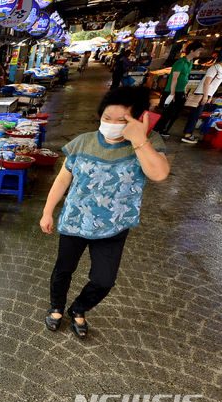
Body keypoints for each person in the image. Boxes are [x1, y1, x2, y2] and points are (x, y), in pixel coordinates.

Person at [40, 86, 169, 339]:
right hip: (75, 222)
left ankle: (79, 308)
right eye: (106, 118)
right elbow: (62, 180)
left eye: (121, 121)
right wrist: (47, 212)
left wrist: (139, 139)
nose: (111, 125)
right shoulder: (82, 142)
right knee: (63, 270)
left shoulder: (148, 143)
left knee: (104, 280)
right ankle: (56, 306)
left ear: (138, 119)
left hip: (114, 226)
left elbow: (159, 173)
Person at [154, 40, 205, 138]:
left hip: (180, 91)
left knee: (175, 112)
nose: (199, 53)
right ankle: (158, 129)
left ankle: (163, 129)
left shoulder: (189, 63)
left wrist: (184, 91)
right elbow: (174, 78)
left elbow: (185, 78)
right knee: (167, 112)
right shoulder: (180, 62)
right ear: (192, 51)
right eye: (198, 50)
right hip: (171, 91)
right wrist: (172, 94)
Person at [180, 55, 222, 144]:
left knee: (196, 115)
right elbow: (207, 83)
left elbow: (214, 86)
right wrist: (206, 96)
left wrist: (210, 96)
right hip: (202, 94)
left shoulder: (220, 70)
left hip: (206, 95)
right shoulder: (214, 68)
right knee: (194, 115)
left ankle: (188, 133)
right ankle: (187, 135)